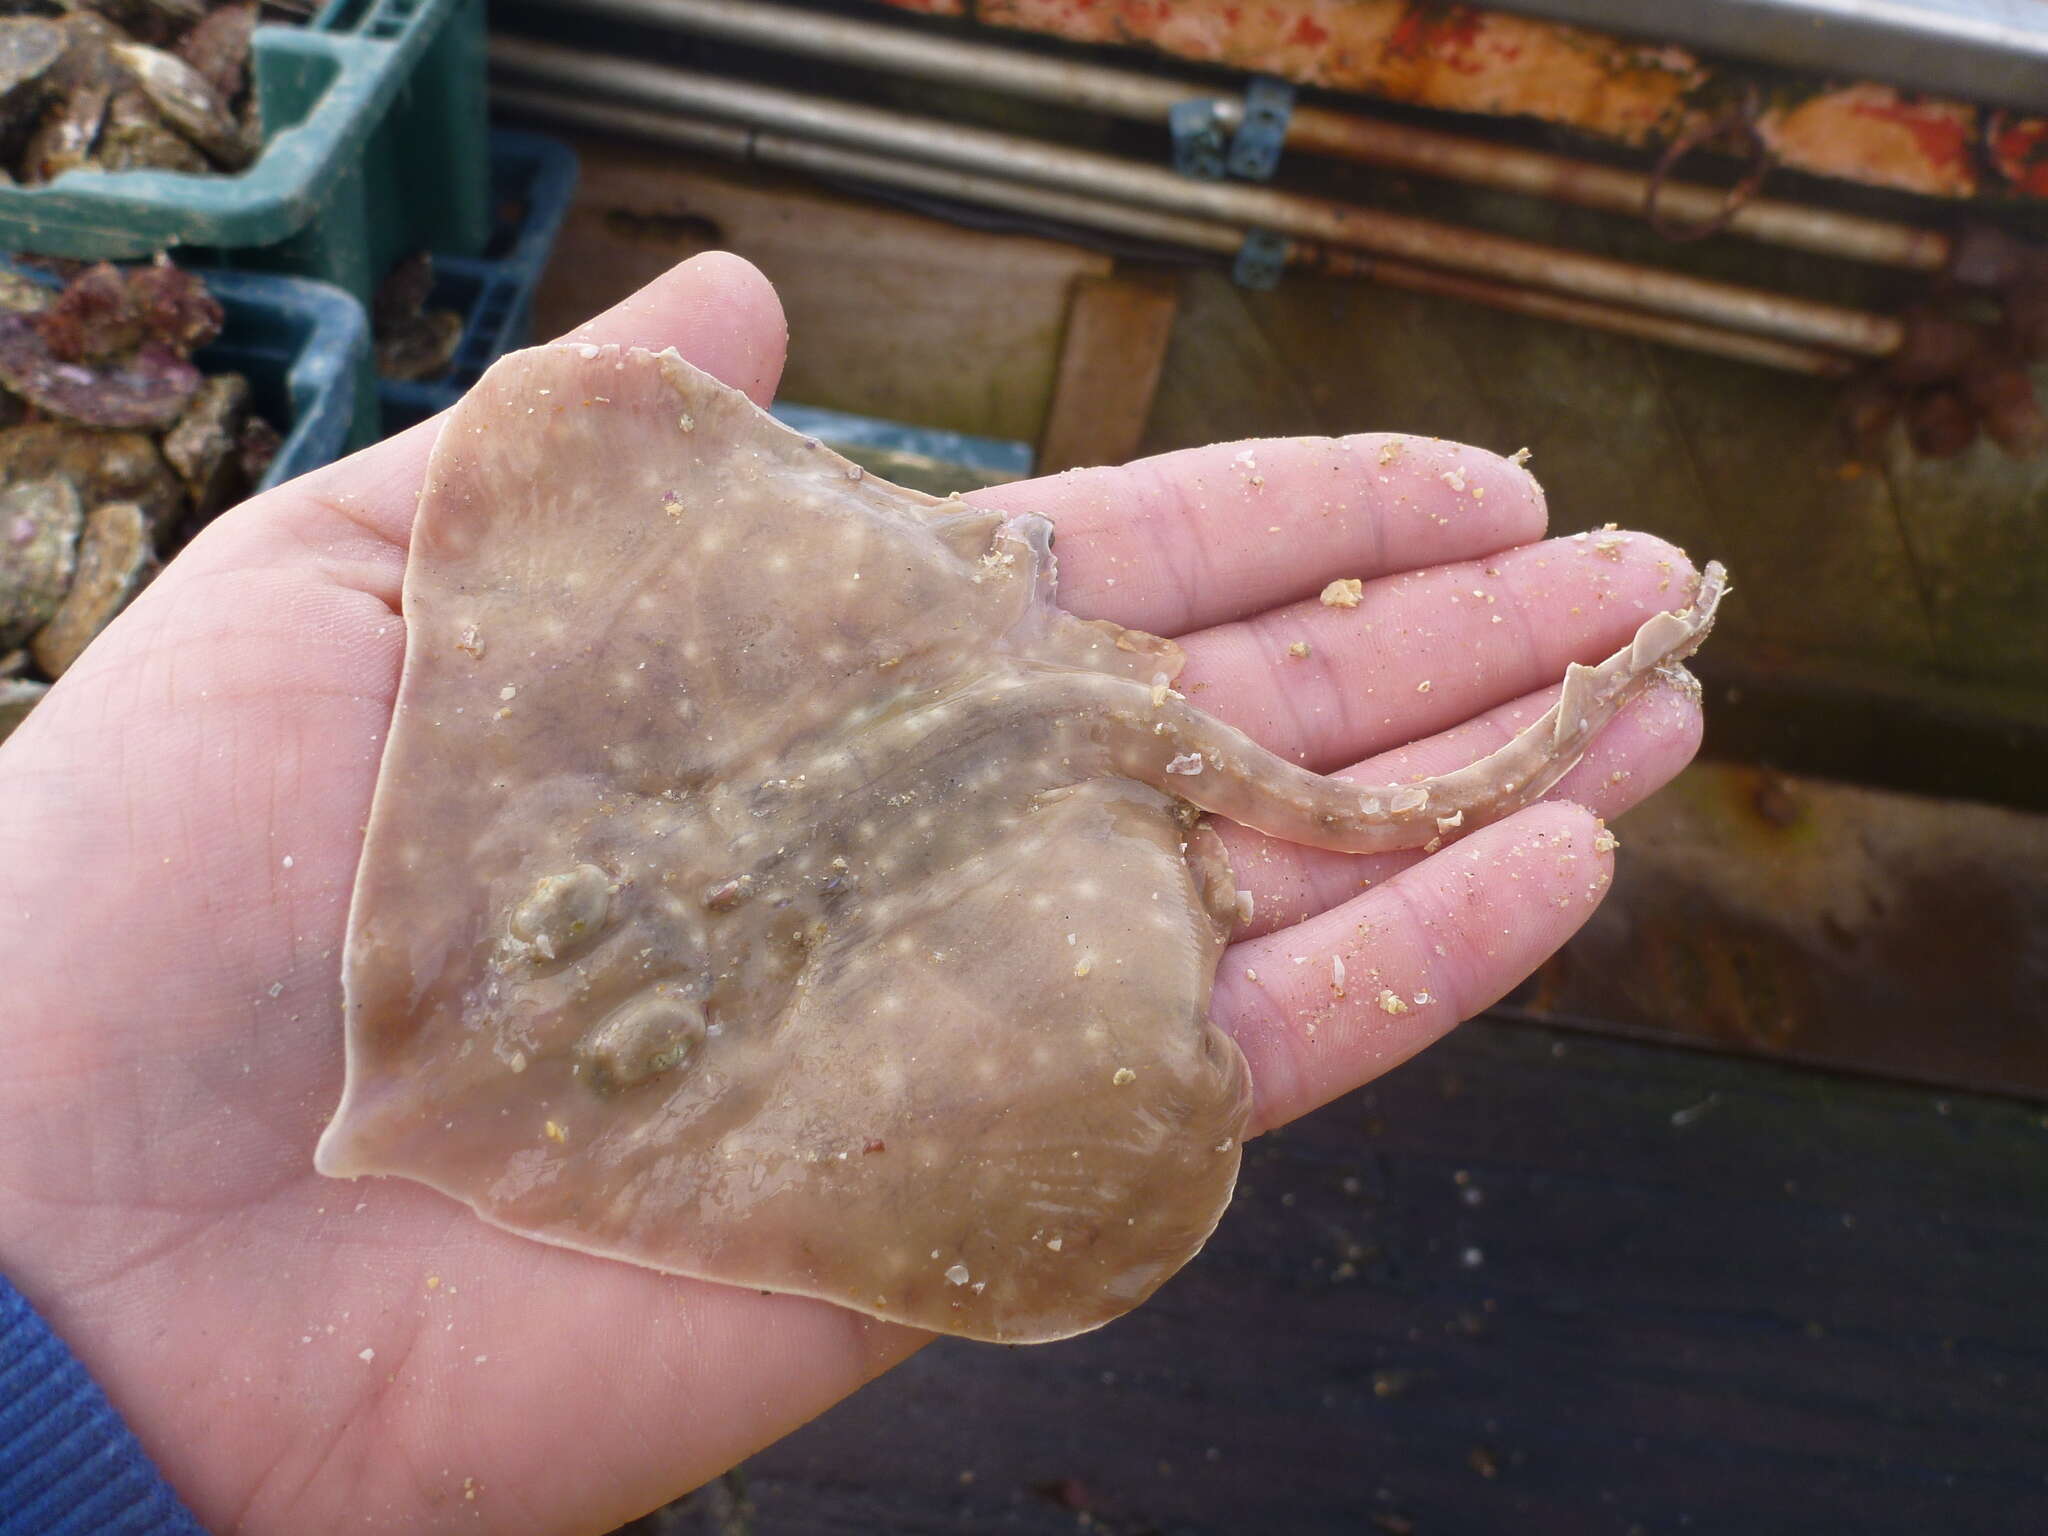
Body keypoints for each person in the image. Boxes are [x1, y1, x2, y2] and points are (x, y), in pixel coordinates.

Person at [0, 254, 1703, 1533]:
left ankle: (1655, 631)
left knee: (1385, 799)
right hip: (942, 662)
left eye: (579, 969)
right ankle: (1647, 634)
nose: (404, 1108)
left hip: (978, 708)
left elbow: (581, 451)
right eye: (560, 926)